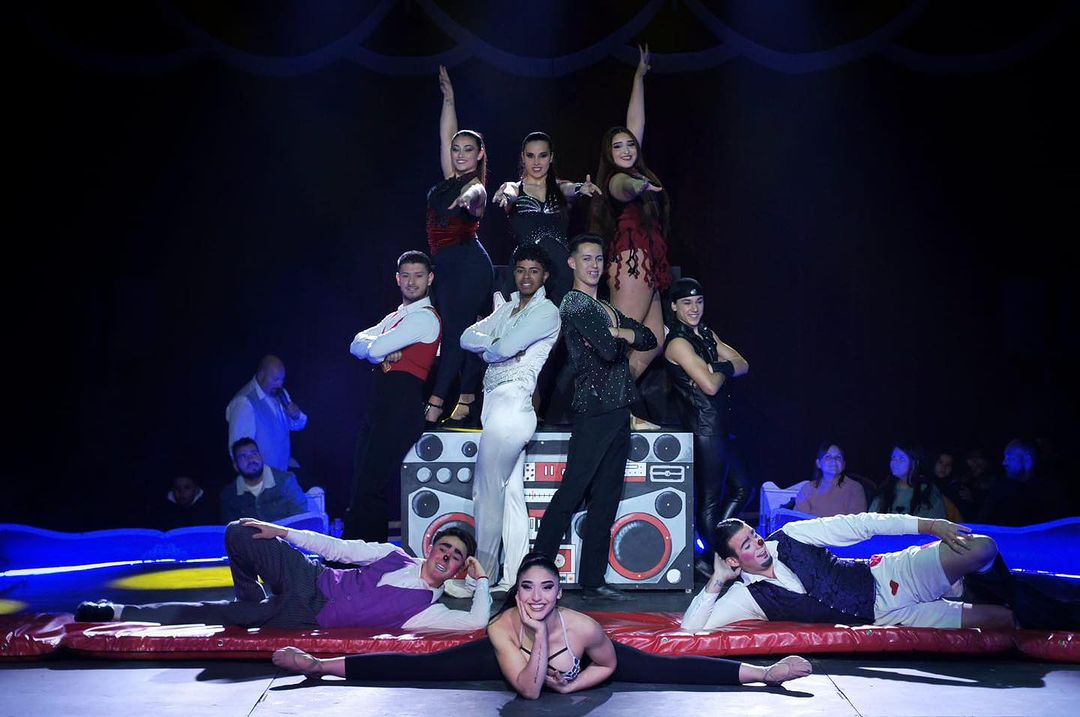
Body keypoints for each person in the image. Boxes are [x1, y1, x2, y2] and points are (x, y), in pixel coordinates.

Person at [271, 553, 812, 696]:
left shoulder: (582, 625)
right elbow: (529, 693)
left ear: (558, 593)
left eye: (546, 588)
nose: (535, 597)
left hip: (572, 659)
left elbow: (608, 663)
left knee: (662, 666)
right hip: (505, 661)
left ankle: (762, 676)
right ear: (518, 595)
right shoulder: (503, 627)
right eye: (527, 588)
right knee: (423, 666)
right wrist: (539, 643)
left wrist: (576, 683)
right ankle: (322, 665)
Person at [75, 520, 490, 631]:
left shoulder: (428, 611)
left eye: (457, 556)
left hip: (307, 613)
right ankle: (249, 595)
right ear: (431, 547)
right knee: (240, 531)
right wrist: (282, 533)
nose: (447, 556)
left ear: (459, 568)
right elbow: (336, 548)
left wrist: (483, 581)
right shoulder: (393, 554)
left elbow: (475, 621)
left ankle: (117, 611)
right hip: (310, 577)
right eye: (445, 547)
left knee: (218, 615)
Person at [532, 234, 657, 601]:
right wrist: (620, 336)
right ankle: (537, 572)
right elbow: (606, 349)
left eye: (599, 259)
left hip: (618, 409)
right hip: (594, 409)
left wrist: (619, 331)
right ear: (572, 263)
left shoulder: (605, 307)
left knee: (606, 498)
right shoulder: (574, 303)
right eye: (587, 258)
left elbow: (650, 338)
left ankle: (593, 580)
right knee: (572, 492)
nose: (594, 265)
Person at [682, 514, 1017, 632]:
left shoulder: (792, 535)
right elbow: (692, 628)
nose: (758, 543)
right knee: (1003, 620)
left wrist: (930, 525)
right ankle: (958, 588)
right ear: (734, 562)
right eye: (746, 545)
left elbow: (861, 524)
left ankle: (962, 584)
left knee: (982, 548)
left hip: (891, 577)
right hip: (890, 617)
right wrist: (717, 579)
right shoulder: (747, 596)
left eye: (754, 535)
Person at [454, 243, 561, 594]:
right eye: (521, 270)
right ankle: (513, 576)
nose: (526, 277)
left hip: (513, 410)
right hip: (495, 408)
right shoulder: (508, 307)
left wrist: (493, 348)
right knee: (512, 495)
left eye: (534, 271)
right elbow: (466, 336)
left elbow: (502, 349)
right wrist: (497, 344)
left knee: (486, 493)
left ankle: (480, 578)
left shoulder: (547, 312)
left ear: (545, 275)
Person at [346, 250, 442, 541]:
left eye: (419, 276)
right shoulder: (395, 317)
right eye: (406, 276)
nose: (412, 282)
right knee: (360, 485)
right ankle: (354, 553)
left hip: (400, 406)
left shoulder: (424, 318)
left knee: (371, 486)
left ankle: (371, 556)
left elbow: (373, 349)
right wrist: (382, 349)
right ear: (397, 279)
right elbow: (355, 343)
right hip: (379, 406)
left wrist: (378, 350)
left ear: (430, 278)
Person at [589, 45, 672, 382]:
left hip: (648, 260)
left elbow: (635, 124)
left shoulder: (634, 165)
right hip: (631, 260)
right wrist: (639, 186)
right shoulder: (616, 179)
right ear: (609, 155)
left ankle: (621, 400)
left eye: (629, 145)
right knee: (623, 339)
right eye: (617, 147)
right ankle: (600, 400)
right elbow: (625, 186)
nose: (625, 149)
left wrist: (638, 77)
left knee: (655, 340)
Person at [423, 66, 494, 429]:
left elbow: (478, 193)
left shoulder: (473, 186)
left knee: (455, 333)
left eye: (468, 149)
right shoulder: (448, 179)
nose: (460, 153)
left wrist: (469, 197)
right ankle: (466, 399)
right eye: (456, 149)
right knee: (460, 333)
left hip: (468, 264)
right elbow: (445, 135)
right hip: (447, 266)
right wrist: (449, 98)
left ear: (480, 154)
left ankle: (436, 404)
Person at [663, 277, 754, 556]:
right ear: (674, 306)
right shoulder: (678, 343)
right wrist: (721, 368)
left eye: (699, 302)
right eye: (687, 303)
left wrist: (715, 367)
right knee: (710, 500)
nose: (694, 308)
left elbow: (743, 364)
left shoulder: (705, 332)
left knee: (742, 488)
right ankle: (717, 556)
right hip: (704, 429)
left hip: (720, 425)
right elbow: (711, 386)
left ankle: (720, 546)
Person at [493, 131, 600, 307]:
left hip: (560, 271)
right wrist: (505, 195)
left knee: (560, 317)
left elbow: (569, 188)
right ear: (523, 157)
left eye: (542, 155)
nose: (536, 162)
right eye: (530, 156)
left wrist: (580, 188)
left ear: (551, 157)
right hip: (527, 268)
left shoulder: (560, 188)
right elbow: (509, 191)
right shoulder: (515, 188)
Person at [225, 355, 307, 472]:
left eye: (282, 380)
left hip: (282, 472)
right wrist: (257, 480)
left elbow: (298, 425)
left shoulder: (280, 393)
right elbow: (239, 453)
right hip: (263, 478)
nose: (280, 384)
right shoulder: (244, 402)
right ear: (261, 375)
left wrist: (296, 416)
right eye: (275, 379)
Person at [977, 439, 1069, 526]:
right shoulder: (998, 490)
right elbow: (984, 522)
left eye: (1010, 458)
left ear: (1027, 460)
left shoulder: (1050, 491)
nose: (1004, 463)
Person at [220, 438, 308, 524]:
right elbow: (230, 530)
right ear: (236, 466)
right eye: (243, 456)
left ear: (261, 457)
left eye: (254, 453)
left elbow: (301, 518)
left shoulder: (285, 481)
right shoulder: (229, 495)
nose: (250, 459)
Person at [868, 444, 947, 519]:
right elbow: (871, 519)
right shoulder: (885, 489)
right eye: (893, 458)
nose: (895, 462)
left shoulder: (928, 491)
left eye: (901, 459)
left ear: (914, 462)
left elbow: (936, 523)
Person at [793, 443, 868, 518]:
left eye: (838, 457)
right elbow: (798, 518)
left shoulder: (855, 488)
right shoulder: (807, 488)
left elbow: (856, 521)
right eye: (828, 457)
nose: (834, 461)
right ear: (818, 463)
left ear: (843, 464)